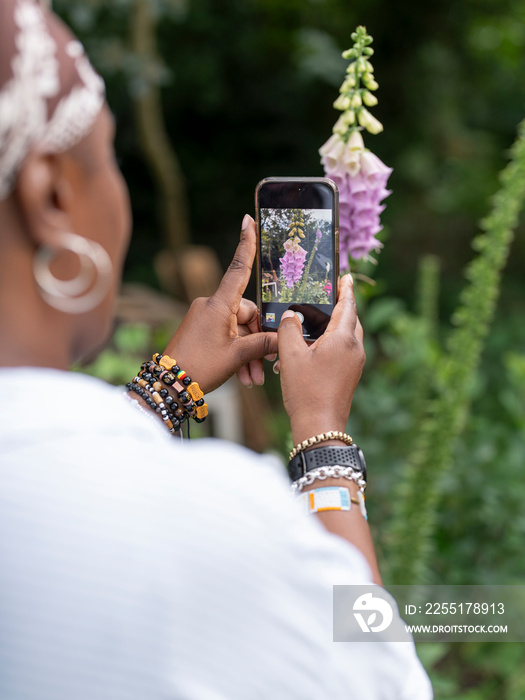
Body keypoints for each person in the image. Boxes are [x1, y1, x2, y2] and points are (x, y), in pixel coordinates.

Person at [0, 1, 432, 698]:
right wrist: (323, 439)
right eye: (107, 155)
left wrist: (159, 393)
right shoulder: (217, 523)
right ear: (50, 194)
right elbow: (384, 681)